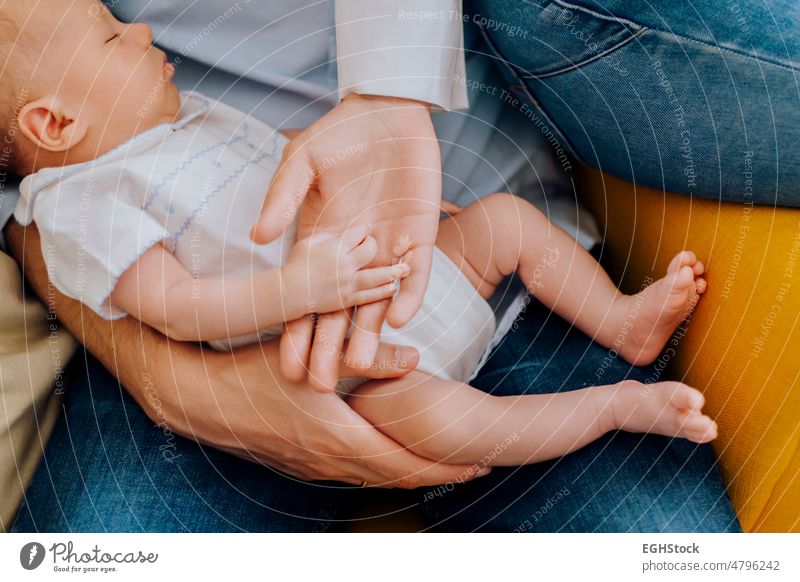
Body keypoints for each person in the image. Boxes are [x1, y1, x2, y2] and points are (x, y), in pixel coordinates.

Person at [3, 0, 740, 532]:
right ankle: (610, 405)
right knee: (450, 426)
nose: (140, 30)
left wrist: (374, 171)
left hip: (406, 257)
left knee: (506, 225)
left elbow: (276, 149)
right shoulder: (81, 210)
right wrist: (296, 290)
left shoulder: (181, 114)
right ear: (55, 123)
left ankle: (625, 321)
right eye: (109, 35)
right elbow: (178, 305)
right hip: (348, 365)